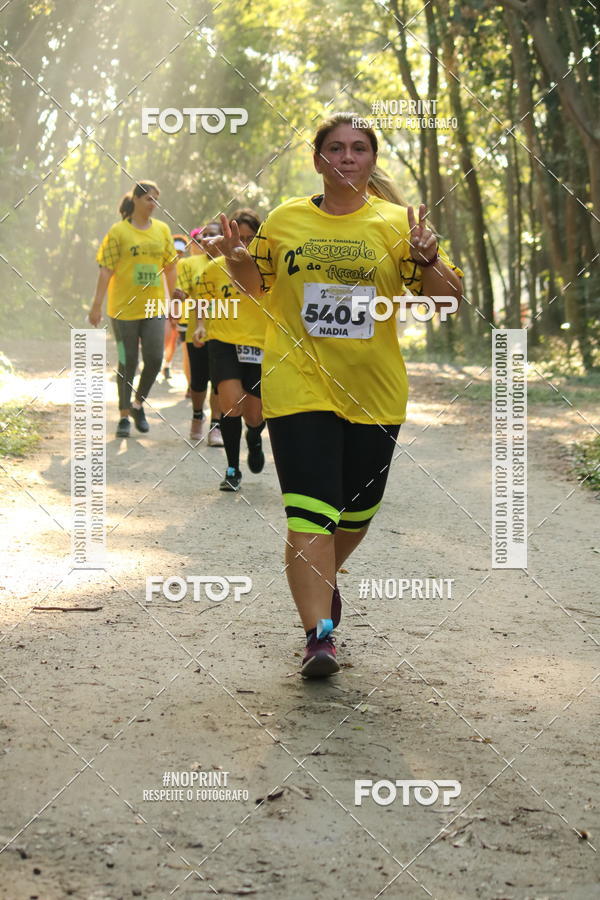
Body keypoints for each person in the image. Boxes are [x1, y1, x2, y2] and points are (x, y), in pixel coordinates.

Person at [204, 112, 463, 678]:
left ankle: (322, 580)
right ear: (317, 159)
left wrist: (427, 261)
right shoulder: (286, 220)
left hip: (374, 393)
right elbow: (259, 291)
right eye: (336, 148)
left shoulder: (399, 225)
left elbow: (445, 302)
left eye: (359, 148)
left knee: (355, 514)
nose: (347, 157)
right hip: (298, 384)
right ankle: (318, 636)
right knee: (309, 514)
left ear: (372, 161)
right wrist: (239, 260)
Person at [89, 181, 177, 437]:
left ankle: (138, 404)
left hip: (153, 307)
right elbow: (106, 270)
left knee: (154, 359)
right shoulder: (119, 232)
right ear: (136, 199)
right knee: (128, 363)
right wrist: (96, 306)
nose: (154, 205)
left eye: (157, 200)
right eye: (150, 199)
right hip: (122, 310)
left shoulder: (162, 230)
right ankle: (124, 416)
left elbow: (170, 267)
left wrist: (174, 302)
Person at [196, 209, 265, 491]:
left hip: (261, 345)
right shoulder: (213, 269)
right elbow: (202, 301)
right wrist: (200, 325)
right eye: (239, 237)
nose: (244, 243)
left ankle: (255, 437)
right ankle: (232, 468)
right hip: (223, 341)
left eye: (250, 238)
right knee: (230, 402)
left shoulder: (266, 268)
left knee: (255, 415)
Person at [174, 223, 223, 445]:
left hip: (226, 332)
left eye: (214, 234)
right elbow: (181, 291)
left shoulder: (232, 264)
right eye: (205, 236)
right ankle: (197, 415)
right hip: (197, 331)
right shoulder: (189, 264)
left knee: (220, 381)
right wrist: (178, 298)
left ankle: (216, 425)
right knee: (199, 380)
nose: (208, 239)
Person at [162, 234, 190, 390]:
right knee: (167, 337)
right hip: (162, 306)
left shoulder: (187, 265)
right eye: (175, 252)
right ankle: (159, 361)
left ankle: (166, 365)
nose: (178, 255)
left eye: (180, 252)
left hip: (181, 310)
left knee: (173, 339)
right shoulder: (163, 265)